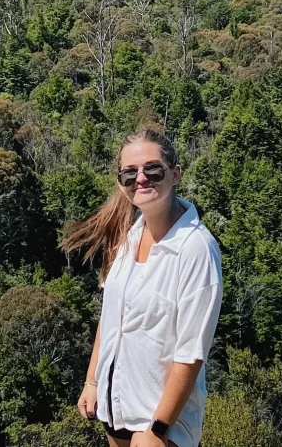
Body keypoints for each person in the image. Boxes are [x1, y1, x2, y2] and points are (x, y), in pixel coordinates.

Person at [63, 129, 223, 447]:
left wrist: (157, 429)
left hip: (162, 422)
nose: (141, 179)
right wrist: (93, 380)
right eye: (129, 172)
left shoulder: (195, 249)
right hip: (117, 409)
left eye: (152, 169)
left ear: (175, 174)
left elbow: (190, 354)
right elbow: (112, 319)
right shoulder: (128, 237)